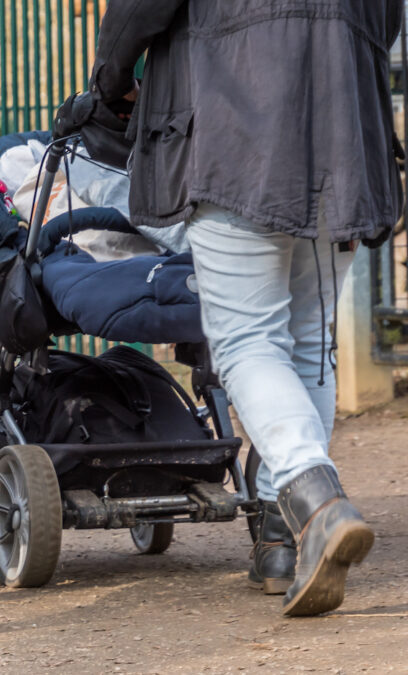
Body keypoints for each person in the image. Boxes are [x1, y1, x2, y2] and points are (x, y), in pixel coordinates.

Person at [89, 1, 403, 616]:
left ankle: (315, 497)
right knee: (310, 340)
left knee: (247, 341)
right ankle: (281, 543)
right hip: (347, 125)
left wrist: (110, 79)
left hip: (237, 124)